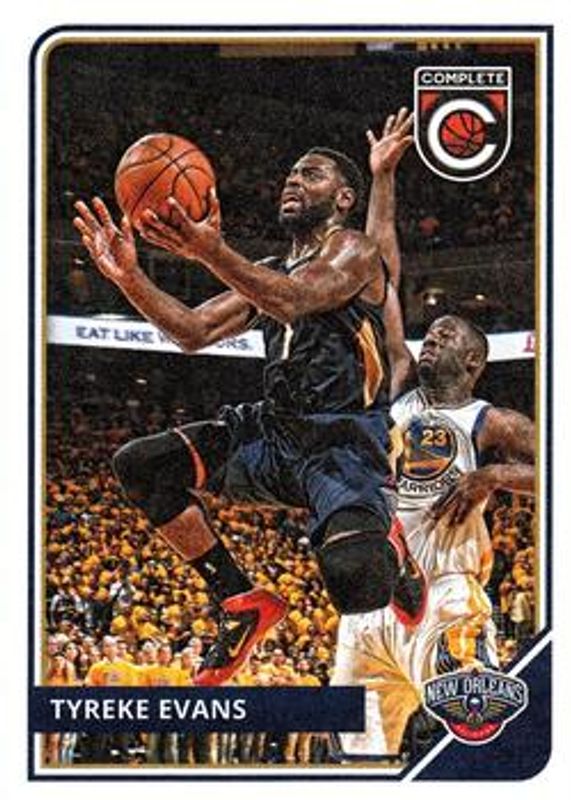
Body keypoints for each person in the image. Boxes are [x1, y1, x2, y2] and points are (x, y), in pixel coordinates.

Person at [73, 138, 426, 687]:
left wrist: (210, 251)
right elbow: (193, 331)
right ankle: (240, 601)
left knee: (357, 585)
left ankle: (395, 553)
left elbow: (293, 299)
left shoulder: (356, 251)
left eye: (311, 174)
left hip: (344, 444)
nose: (293, 180)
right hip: (273, 434)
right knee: (140, 464)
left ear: (343, 198)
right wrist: (129, 279)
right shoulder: (268, 269)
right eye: (291, 172)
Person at [331, 110, 536, 758]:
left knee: (478, 745)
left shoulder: (489, 420)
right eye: (430, 333)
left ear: (472, 362)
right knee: (356, 762)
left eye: (446, 336)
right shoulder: (396, 390)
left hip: (445, 594)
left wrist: (493, 475)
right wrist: (381, 177)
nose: (431, 339)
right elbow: (381, 277)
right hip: (367, 609)